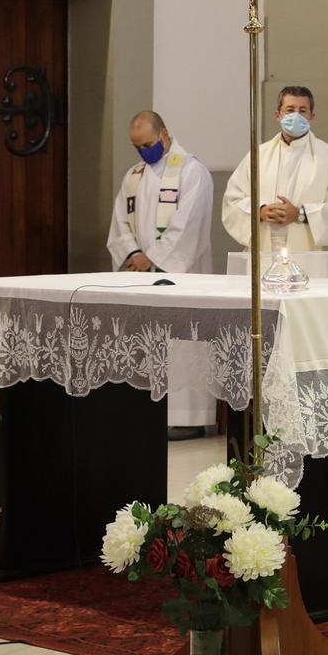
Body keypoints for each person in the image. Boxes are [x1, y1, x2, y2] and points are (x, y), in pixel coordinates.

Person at [107, 110, 215, 437]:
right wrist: (133, 255)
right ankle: (148, 414)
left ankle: (186, 419)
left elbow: (188, 226)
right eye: (137, 147)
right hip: (142, 277)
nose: (144, 152)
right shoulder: (134, 175)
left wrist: (152, 257)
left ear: (165, 134)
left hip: (181, 277)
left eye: (149, 144)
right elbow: (119, 224)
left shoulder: (192, 171)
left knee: (180, 346)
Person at [220, 86, 328, 261]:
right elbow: (232, 200)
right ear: (278, 115)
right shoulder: (257, 156)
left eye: (302, 111)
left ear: (312, 116)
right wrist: (260, 211)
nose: (296, 116)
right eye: (290, 110)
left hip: (308, 256)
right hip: (264, 251)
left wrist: (301, 214)